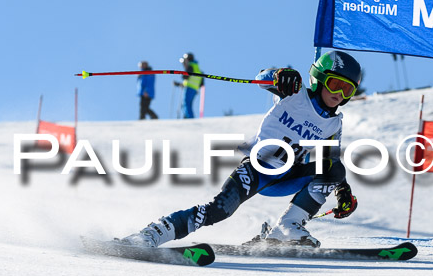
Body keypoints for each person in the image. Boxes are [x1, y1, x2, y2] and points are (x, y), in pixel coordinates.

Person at [122, 50, 362, 248]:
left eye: (347, 90)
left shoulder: (333, 123)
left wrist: (342, 192)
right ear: (319, 78)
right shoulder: (295, 93)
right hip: (258, 169)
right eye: (334, 85)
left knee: (334, 168)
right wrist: (278, 75)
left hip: (288, 176)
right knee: (219, 210)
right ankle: (151, 234)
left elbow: (329, 158)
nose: (339, 95)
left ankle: (288, 228)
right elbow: (261, 79)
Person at [174, 52, 203, 118]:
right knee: (187, 105)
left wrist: (184, 74)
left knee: (185, 104)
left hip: (189, 88)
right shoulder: (197, 67)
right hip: (194, 89)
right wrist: (178, 84)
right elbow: (199, 82)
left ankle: (190, 118)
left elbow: (186, 77)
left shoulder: (191, 66)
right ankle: (186, 119)